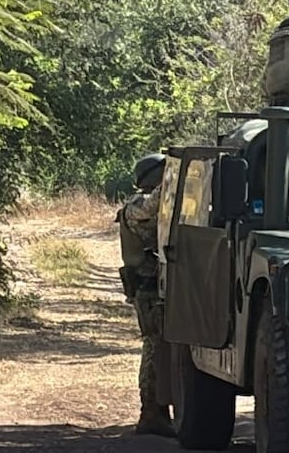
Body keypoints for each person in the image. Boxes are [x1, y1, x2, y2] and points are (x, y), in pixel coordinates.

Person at [117, 153, 175, 438]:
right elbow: (155, 203)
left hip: (156, 286)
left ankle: (158, 412)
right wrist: (176, 175)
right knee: (154, 351)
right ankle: (151, 413)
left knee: (161, 350)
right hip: (147, 288)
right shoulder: (137, 206)